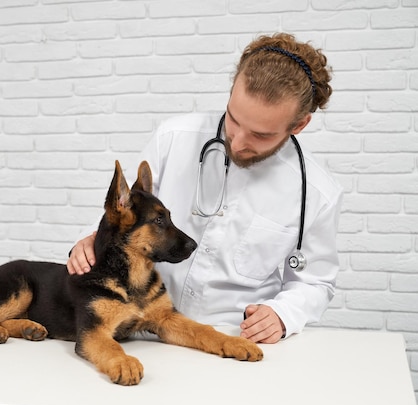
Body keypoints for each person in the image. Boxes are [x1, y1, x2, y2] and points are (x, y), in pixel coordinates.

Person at [67, 33, 342, 344]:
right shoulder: (173, 137)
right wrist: (88, 242)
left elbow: (316, 282)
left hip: (233, 339)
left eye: (260, 135)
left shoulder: (317, 194)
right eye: (234, 120)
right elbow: (125, 214)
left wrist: (282, 315)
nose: (237, 142)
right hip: (143, 331)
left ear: (298, 125)